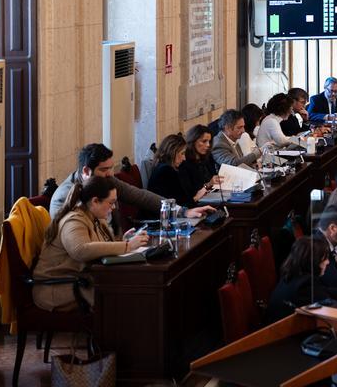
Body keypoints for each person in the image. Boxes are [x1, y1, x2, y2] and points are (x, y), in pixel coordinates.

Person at [33, 178, 150, 311]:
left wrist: (124, 240)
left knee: (133, 286)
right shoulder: (74, 220)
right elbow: (80, 250)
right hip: (58, 287)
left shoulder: (95, 216)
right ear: (95, 201)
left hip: (80, 280)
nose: (113, 207)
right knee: (126, 293)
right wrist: (127, 246)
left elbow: (100, 246)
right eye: (111, 203)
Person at [49, 143, 212, 226]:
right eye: (104, 169)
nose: (110, 174)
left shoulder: (106, 180)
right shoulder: (63, 196)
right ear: (86, 171)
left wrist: (182, 211)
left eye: (111, 168)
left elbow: (140, 196)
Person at [147, 133, 208, 207]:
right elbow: (178, 205)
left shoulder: (165, 167)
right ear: (172, 152)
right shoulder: (166, 171)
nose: (184, 158)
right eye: (182, 153)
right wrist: (196, 197)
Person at [181, 124, 220, 197]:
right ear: (193, 141)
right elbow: (191, 192)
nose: (208, 145)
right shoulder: (185, 162)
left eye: (209, 141)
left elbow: (213, 176)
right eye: (204, 141)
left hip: (212, 195)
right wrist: (208, 184)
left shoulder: (208, 157)